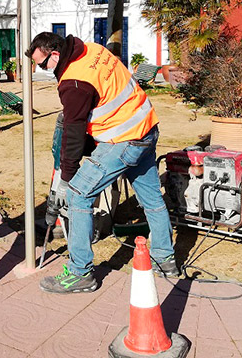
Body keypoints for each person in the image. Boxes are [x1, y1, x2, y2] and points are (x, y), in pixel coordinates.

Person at [27, 32, 178, 294]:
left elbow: (73, 132)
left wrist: (66, 178)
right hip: (146, 127)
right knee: (152, 199)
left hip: (123, 139)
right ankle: (165, 260)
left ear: (54, 55)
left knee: (77, 196)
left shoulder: (73, 81)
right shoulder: (92, 50)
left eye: (42, 65)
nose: (42, 70)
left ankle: (80, 273)